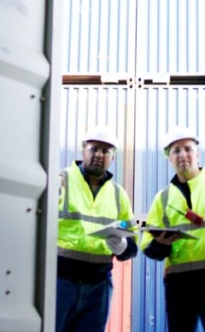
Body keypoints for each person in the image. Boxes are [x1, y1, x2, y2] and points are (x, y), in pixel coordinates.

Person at [140, 126, 205, 332]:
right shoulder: (163, 198)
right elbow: (148, 246)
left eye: (187, 148)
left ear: (198, 153)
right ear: (169, 158)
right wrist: (160, 244)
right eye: (176, 151)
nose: (183, 155)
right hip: (179, 287)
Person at [56, 126, 138, 331]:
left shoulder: (119, 196)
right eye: (94, 149)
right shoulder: (61, 181)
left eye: (106, 151)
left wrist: (121, 245)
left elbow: (132, 246)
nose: (99, 155)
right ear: (83, 150)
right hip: (60, 281)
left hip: (98, 286)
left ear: (113, 157)